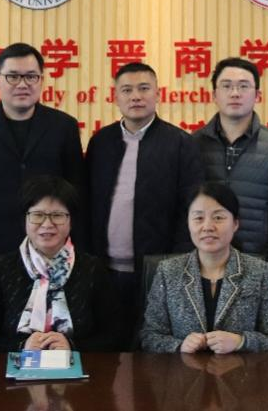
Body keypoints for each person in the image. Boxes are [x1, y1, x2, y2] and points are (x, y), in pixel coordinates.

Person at [86, 62, 204, 346]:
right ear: (115, 96)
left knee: (150, 348)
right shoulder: (101, 141)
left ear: (158, 94)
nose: (135, 96)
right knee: (105, 346)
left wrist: (175, 265)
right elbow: (87, 202)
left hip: (157, 269)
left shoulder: (180, 143)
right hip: (103, 269)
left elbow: (191, 209)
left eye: (143, 89)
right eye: (127, 90)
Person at [0, 43, 84, 286]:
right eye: (13, 76)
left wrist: (79, 250)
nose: (22, 84)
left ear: (41, 80)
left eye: (31, 76)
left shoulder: (64, 126)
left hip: (52, 248)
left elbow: (76, 193)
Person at [0, 176, 120, 352]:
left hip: (79, 366)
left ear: (71, 221)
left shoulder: (92, 269)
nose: (47, 224)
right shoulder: (0, 269)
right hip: (14, 366)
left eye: (57, 215)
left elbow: (114, 336)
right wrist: (21, 346)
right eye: (38, 215)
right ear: (25, 220)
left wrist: (72, 346)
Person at [193, 57, 268, 306]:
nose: (235, 93)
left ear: (257, 95)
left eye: (243, 86)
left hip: (258, 266)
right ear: (214, 95)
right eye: (227, 86)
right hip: (203, 265)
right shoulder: (193, 144)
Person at [141, 182, 268, 353]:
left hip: (241, 369)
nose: (208, 227)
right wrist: (179, 345)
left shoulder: (260, 271)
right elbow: (149, 337)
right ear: (188, 223)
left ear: (235, 223)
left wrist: (241, 341)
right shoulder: (167, 271)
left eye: (218, 217)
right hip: (184, 369)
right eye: (198, 218)